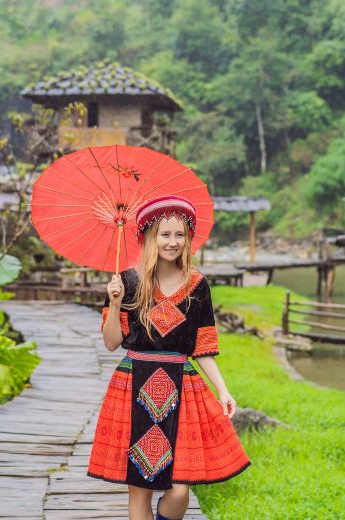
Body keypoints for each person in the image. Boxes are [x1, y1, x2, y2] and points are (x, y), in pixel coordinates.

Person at [87, 194, 251, 520]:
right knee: (139, 488)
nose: (172, 242)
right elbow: (111, 342)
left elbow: (202, 346)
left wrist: (223, 390)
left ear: (188, 238)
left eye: (179, 235)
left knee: (179, 490)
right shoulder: (129, 282)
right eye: (165, 234)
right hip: (134, 384)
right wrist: (116, 303)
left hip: (181, 387)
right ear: (150, 236)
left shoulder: (197, 285)